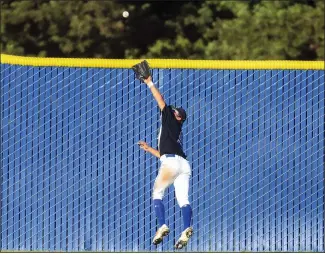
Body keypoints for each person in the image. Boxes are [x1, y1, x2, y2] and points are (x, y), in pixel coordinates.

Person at [134, 63, 193, 249]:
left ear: (178, 117)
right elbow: (164, 154)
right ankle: (186, 229)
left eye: (174, 111)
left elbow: (160, 100)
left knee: (157, 193)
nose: (170, 110)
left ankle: (162, 226)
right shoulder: (175, 131)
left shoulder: (170, 118)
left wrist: (149, 82)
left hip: (171, 163)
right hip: (183, 165)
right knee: (183, 200)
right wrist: (150, 149)